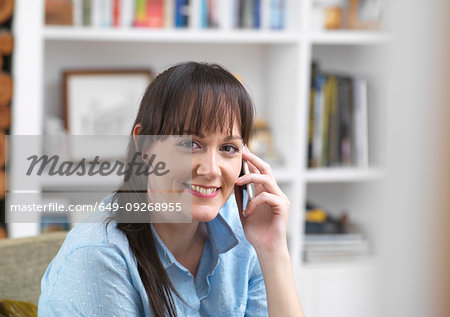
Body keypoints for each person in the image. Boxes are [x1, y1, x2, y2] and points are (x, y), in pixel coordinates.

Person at [38, 62, 304, 316]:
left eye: (228, 148)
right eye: (191, 144)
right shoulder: (98, 255)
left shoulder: (243, 233)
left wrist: (273, 249)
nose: (211, 169)